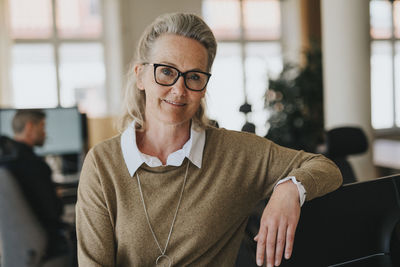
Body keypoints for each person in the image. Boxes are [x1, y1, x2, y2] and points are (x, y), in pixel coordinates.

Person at [76, 13, 342, 267]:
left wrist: (289, 189)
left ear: (204, 87)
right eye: (167, 72)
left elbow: (326, 168)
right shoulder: (102, 164)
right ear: (141, 76)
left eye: (193, 77)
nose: (179, 90)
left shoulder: (236, 153)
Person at [0, 109, 70, 261]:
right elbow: (55, 211)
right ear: (30, 127)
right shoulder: (35, 165)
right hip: (48, 250)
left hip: (17, 250)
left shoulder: (5, 162)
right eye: (43, 127)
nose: (45, 133)